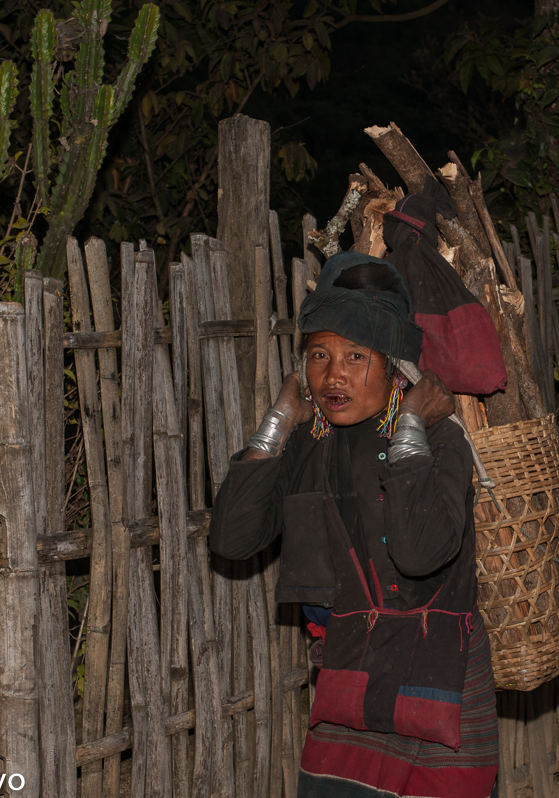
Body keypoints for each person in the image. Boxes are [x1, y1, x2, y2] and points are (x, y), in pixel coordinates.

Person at [208, 252, 499, 798]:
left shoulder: (439, 442)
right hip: (349, 680)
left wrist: (409, 426)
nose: (332, 375)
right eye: (319, 354)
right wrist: (278, 420)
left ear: (393, 368)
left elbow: (418, 554)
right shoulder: (309, 444)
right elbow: (232, 539)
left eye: (355, 356)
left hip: (437, 684)